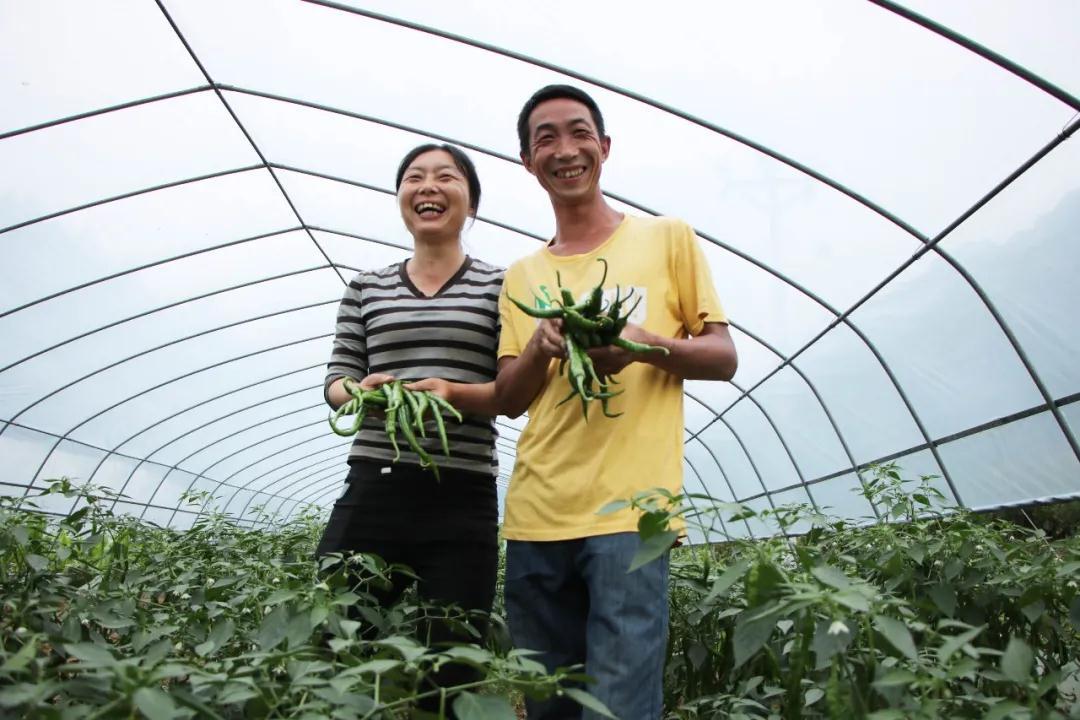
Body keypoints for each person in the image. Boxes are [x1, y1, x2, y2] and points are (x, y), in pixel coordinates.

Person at [495, 85, 738, 719]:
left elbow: (723, 357)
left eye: (579, 133)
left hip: (632, 518)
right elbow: (509, 399)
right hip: (536, 514)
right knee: (550, 708)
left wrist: (645, 346)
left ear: (604, 148)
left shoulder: (667, 239)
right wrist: (543, 346)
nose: (565, 149)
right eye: (545, 139)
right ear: (527, 161)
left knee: (621, 707)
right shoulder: (523, 277)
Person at [317, 143, 504, 716]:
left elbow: (514, 391)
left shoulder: (502, 287)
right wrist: (360, 392)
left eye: (446, 177)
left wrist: (454, 395)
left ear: (471, 201)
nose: (429, 187)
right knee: (335, 640)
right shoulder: (366, 286)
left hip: (463, 488)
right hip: (376, 481)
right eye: (414, 178)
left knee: (452, 661)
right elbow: (335, 381)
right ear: (400, 198)